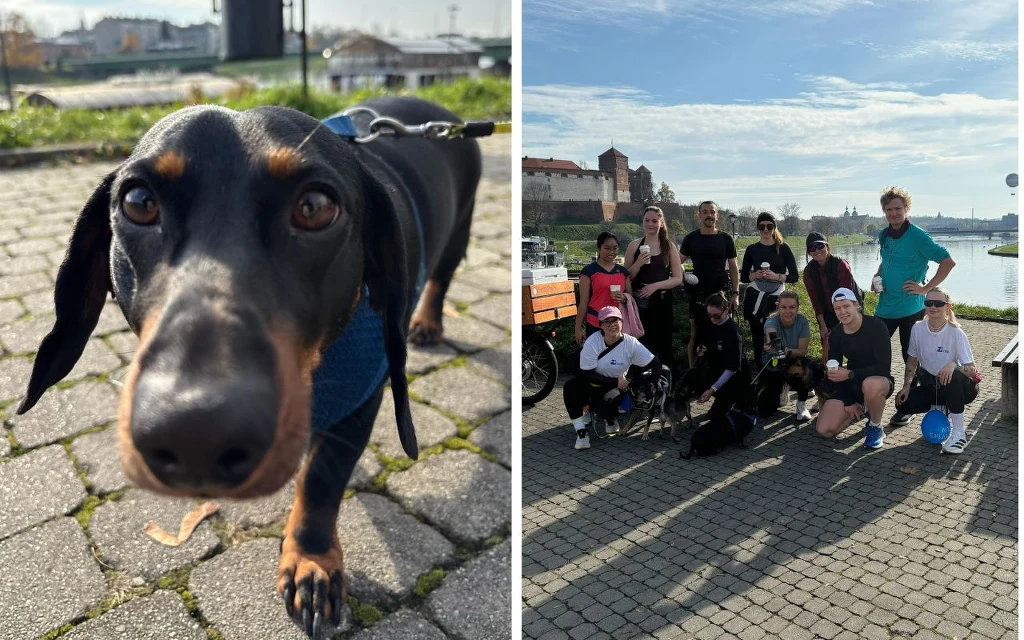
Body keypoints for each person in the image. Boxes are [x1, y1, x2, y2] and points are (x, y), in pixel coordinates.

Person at [872, 186, 956, 427]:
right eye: (888, 209)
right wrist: (876, 277)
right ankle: (873, 397)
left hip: (911, 309)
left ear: (906, 209)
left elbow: (948, 261)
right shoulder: (883, 235)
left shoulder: (918, 235)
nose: (893, 213)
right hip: (884, 307)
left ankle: (907, 406)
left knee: (911, 357)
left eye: (898, 208)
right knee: (875, 352)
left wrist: (925, 289)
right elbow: (886, 262)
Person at [894, 288, 980, 454]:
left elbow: (972, 370)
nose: (933, 306)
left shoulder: (956, 332)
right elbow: (912, 360)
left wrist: (954, 365)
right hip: (932, 385)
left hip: (962, 388)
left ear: (948, 306)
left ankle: (959, 433)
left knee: (951, 375)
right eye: (928, 302)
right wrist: (906, 386)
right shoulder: (917, 329)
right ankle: (941, 407)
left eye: (939, 303)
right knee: (903, 405)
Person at [563, 306, 661, 450]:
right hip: (590, 383)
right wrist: (616, 381)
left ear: (622, 321)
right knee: (570, 387)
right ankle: (581, 432)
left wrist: (651, 385)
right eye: (606, 322)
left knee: (606, 407)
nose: (612, 325)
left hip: (612, 387)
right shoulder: (593, 341)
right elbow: (587, 374)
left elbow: (655, 363)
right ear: (600, 325)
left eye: (615, 320)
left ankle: (609, 418)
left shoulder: (630, 343)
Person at [815, 288, 895, 449]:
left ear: (856, 304)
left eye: (846, 306)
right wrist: (849, 401)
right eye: (837, 308)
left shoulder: (876, 326)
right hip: (851, 384)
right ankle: (859, 408)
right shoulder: (836, 333)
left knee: (870, 385)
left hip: (878, 381)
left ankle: (875, 427)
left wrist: (851, 374)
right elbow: (834, 371)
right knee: (824, 430)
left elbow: (883, 367)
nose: (842, 312)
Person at [679, 200, 739, 367]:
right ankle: (693, 375)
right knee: (696, 335)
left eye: (712, 212)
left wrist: (735, 294)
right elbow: (677, 262)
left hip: (721, 295)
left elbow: (733, 268)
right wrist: (684, 275)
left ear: (717, 216)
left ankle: (721, 373)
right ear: (699, 215)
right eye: (705, 212)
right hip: (697, 294)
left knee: (722, 334)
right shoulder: (691, 238)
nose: (709, 215)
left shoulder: (726, 238)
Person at [624, 205, 683, 366]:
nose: (650, 224)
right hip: (640, 305)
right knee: (642, 346)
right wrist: (638, 263)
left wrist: (655, 286)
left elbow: (678, 278)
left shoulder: (669, 246)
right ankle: (642, 386)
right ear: (642, 222)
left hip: (662, 303)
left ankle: (664, 384)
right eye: (647, 220)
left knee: (664, 346)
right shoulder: (634, 246)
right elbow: (625, 277)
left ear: (661, 223)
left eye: (654, 221)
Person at [739, 212, 798, 364]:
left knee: (776, 337)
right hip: (756, 297)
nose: (765, 230)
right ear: (758, 228)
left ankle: (777, 372)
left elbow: (794, 276)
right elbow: (744, 276)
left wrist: (776, 276)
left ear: (774, 228)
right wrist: (755, 275)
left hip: (776, 296)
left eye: (769, 226)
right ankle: (761, 374)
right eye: (762, 226)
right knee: (758, 337)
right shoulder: (752, 249)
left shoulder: (783, 248)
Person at [683, 292, 748, 428]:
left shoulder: (733, 333)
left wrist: (712, 390)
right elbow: (706, 344)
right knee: (690, 376)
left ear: (726, 310)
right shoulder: (710, 323)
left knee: (714, 416)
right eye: (709, 315)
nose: (712, 318)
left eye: (716, 315)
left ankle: (733, 400)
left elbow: (733, 368)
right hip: (716, 368)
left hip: (734, 376)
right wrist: (701, 350)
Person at [802, 232, 860, 362]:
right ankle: (832, 374)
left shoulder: (840, 265)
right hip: (826, 311)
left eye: (820, 246)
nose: (817, 250)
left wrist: (843, 324)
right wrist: (823, 326)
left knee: (853, 345)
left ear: (827, 246)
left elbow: (846, 297)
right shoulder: (808, 272)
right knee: (831, 347)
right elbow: (815, 302)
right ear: (809, 252)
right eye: (812, 248)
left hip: (849, 307)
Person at [755, 290, 812, 421]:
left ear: (797, 307)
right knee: (765, 410)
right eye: (784, 307)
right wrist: (772, 344)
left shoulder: (802, 321)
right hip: (774, 363)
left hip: (792, 361)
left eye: (792, 307)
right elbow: (773, 341)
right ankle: (781, 387)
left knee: (809, 367)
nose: (788, 311)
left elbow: (802, 351)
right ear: (778, 307)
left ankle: (801, 404)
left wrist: (784, 350)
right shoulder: (771, 322)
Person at [575, 232, 632, 345]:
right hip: (595, 323)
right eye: (607, 248)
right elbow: (583, 302)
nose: (611, 252)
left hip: (618, 325)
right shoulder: (589, 271)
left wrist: (624, 298)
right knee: (596, 358)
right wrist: (577, 329)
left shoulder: (623, 272)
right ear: (599, 248)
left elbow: (630, 297)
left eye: (615, 248)